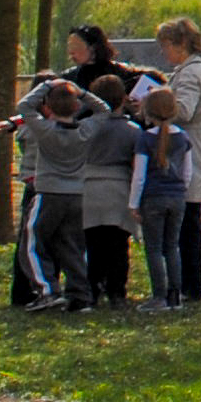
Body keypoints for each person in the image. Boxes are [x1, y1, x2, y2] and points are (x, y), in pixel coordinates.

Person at [60, 27, 137, 306]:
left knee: (91, 244)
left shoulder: (84, 127)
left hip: (90, 187)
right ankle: (117, 290)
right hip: (118, 189)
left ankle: (91, 287)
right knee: (118, 245)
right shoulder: (132, 130)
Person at [12, 79, 101, 311]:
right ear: (76, 108)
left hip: (48, 193)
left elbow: (23, 106)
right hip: (76, 195)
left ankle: (47, 290)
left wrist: (48, 85)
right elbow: (105, 110)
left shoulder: (45, 130)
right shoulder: (85, 130)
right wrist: (81, 92)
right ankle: (80, 295)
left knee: (31, 243)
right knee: (73, 246)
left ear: (48, 107)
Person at [153, 17, 201, 306]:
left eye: (166, 45)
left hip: (189, 147)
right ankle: (188, 283)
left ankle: (192, 285)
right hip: (188, 146)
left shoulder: (191, 74)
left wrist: (155, 108)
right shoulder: (190, 70)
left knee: (189, 221)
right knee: (188, 220)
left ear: (180, 44)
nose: (164, 51)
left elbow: (186, 111)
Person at [129, 85, 195, 309]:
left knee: (154, 248)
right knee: (172, 246)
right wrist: (181, 190)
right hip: (177, 198)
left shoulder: (145, 139)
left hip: (153, 198)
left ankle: (159, 296)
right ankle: (175, 295)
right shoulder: (183, 137)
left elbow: (139, 175)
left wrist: (133, 203)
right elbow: (187, 172)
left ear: (147, 111)